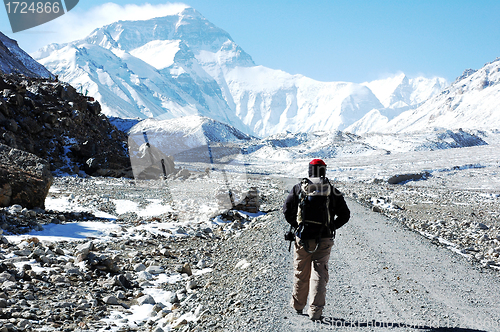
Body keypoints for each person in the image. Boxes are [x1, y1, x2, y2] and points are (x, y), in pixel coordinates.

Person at [283, 159, 350, 320]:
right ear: (324, 171)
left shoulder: (299, 188)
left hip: (303, 238)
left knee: (301, 272)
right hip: (324, 238)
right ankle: (316, 312)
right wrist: (330, 227)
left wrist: (298, 226)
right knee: (320, 274)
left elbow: (286, 210)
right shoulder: (332, 190)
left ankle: (298, 306)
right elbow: (345, 215)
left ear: (310, 170)